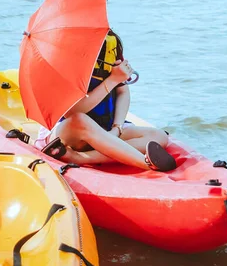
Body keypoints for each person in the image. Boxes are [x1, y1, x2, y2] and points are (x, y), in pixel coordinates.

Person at [35, 30, 177, 172]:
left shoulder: (109, 46)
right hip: (69, 133)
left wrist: (117, 128)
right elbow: (72, 112)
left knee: (159, 137)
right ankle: (145, 163)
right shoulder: (64, 59)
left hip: (106, 129)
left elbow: (123, 92)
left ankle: (81, 158)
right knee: (79, 120)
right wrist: (113, 80)